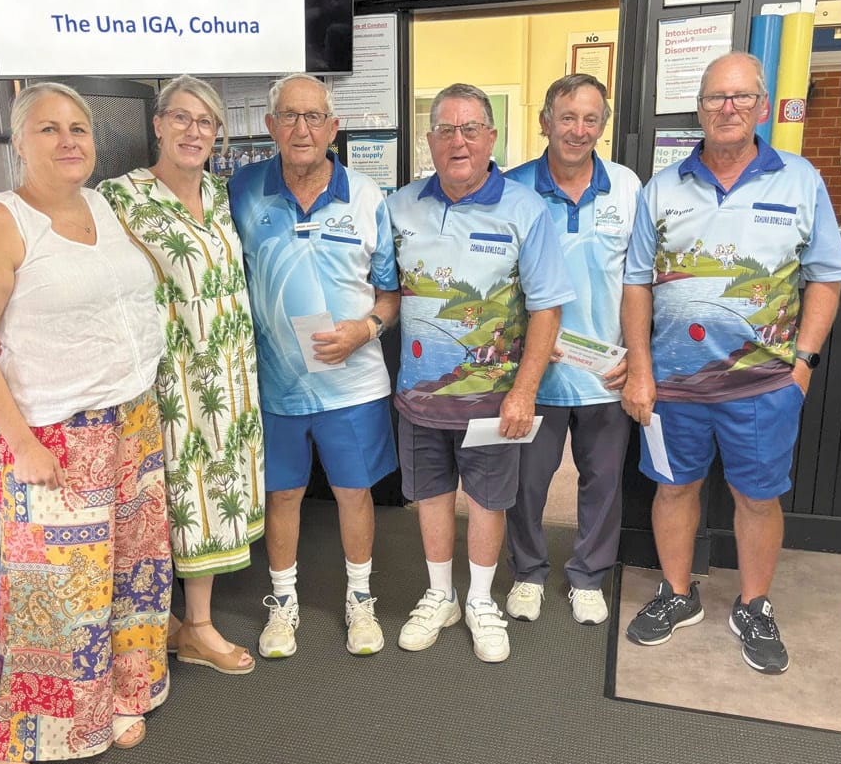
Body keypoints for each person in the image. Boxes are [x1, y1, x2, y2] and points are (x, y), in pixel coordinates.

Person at [0, 82, 169, 764]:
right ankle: (12, 743)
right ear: (20, 140)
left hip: (131, 420)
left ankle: (114, 699)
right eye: (49, 128)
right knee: (49, 596)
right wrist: (21, 441)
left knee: (131, 571)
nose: (69, 139)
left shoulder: (100, 205)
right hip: (51, 435)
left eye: (79, 127)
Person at [619, 51, 841, 674]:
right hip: (673, 386)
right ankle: (676, 593)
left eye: (741, 97)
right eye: (716, 98)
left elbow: (826, 275)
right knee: (673, 489)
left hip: (766, 383)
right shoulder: (663, 187)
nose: (727, 109)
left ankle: (753, 604)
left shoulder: (801, 180)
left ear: (762, 106)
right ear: (698, 109)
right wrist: (640, 369)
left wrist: (803, 363)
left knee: (757, 498)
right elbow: (637, 282)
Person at [386, 83, 575, 663]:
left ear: (492, 138)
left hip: (495, 402)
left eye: (471, 129)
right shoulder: (399, 205)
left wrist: (524, 391)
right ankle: (440, 595)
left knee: (490, 500)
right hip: (419, 397)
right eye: (446, 130)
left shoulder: (525, 208)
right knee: (433, 496)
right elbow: (384, 290)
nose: (458, 141)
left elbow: (547, 306)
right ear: (430, 141)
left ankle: (481, 602)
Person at [228, 73, 401, 658]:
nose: (302, 129)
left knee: (355, 493)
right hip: (274, 386)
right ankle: (282, 605)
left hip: (353, 386)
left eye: (314, 118)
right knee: (283, 496)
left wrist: (365, 329)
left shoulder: (368, 196)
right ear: (271, 126)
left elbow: (390, 294)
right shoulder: (242, 190)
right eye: (289, 116)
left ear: (333, 128)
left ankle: (360, 599)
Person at [98, 75, 265, 677]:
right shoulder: (118, 198)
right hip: (170, 376)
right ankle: (188, 625)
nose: (195, 131)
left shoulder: (221, 196)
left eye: (207, 122)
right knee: (176, 491)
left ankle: (187, 621)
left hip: (230, 370)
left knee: (213, 490)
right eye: (183, 118)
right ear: (158, 124)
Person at [501, 74, 640, 626]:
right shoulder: (511, 190)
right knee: (527, 483)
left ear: (602, 127)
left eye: (590, 119)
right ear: (545, 121)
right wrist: (524, 341)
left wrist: (638, 354)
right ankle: (529, 572)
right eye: (567, 117)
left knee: (603, 481)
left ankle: (588, 576)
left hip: (607, 370)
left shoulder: (628, 189)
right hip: (538, 372)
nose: (577, 130)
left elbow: (641, 280)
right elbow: (498, 282)